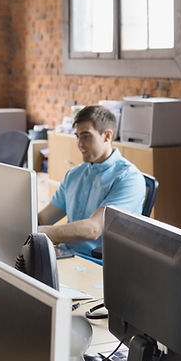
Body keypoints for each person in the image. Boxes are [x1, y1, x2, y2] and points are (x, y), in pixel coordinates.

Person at [37, 105, 145, 256]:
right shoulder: (74, 174)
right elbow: (44, 218)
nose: (80, 143)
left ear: (107, 136)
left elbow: (93, 229)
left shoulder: (129, 178)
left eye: (86, 135)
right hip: (68, 256)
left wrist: (39, 233)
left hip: (101, 265)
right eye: (77, 136)